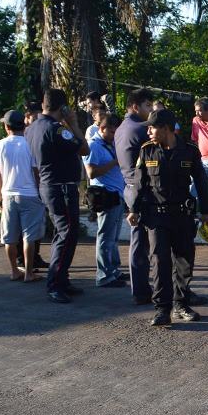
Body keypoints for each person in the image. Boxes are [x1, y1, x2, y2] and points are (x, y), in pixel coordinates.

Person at [129, 108, 208, 327]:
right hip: (156, 217)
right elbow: (140, 184)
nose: (148, 131)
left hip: (182, 215)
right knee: (160, 262)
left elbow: (202, 184)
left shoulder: (190, 151)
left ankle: (181, 304)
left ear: (166, 129)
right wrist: (134, 210)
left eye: (152, 127)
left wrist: (207, 213)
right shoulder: (147, 151)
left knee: (184, 261)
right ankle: (161, 309)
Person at [27, 89, 89, 304]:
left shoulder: (33, 127)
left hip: (49, 186)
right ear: (62, 107)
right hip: (61, 188)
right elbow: (84, 148)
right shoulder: (56, 129)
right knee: (66, 235)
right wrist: (73, 124)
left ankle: (62, 279)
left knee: (62, 234)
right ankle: (55, 283)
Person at [0, 110, 45, 282]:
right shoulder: (30, 144)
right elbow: (36, 172)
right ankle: (29, 273)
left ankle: (14, 271)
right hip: (29, 194)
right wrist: (39, 192)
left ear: (6, 127)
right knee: (29, 237)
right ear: (24, 124)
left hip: (8, 194)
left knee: (10, 237)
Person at [116, 87, 156, 305]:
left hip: (130, 186)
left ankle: (141, 288)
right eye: (147, 106)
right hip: (141, 188)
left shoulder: (122, 127)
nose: (150, 111)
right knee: (144, 243)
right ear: (135, 107)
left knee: (139, 242)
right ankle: (142, 290)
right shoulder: (141, 129)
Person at [84, 114, 127, 288]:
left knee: (113, 237)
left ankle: (113, 270)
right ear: (102, 129)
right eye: (111, 131)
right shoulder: (94, 145)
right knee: (105, 237)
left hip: (116, 194)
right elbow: (91, 172)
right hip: (105, 195)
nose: (114, 134)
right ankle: (103, 275)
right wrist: (115, 162)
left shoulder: (110, 144)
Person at [21, 101, 50, 269]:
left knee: (38, 224)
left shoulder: (41, 130)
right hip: (28, 184)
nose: (29, 118)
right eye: (27, 115)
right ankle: (23, 259)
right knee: (27, 227)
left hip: (39, 182)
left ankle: (35, 257)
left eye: (31, 114)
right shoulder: (25, 134)